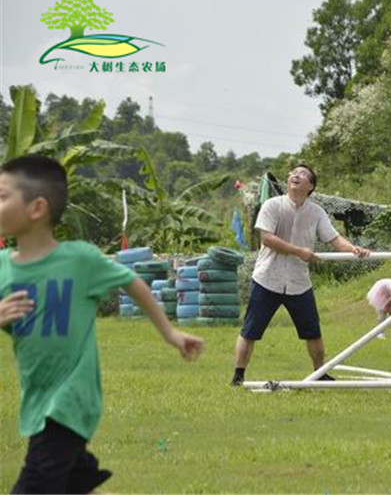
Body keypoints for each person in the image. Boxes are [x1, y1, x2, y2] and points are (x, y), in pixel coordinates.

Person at [0, 155, 204, 494]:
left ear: (36, 208)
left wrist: (170, 332)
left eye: (3, 195)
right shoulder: (4, 267)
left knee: (36, 484)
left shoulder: (80, 260)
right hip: (36, 395)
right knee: (70, 480)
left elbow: (131, 281)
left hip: (70, 398)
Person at [231, 164, 369, 386]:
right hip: (267, 278)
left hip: (298, 283)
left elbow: (334, 239)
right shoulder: (272, 205)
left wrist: (354, 249)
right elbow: (267, 239)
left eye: (303, 174)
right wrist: (300, 251)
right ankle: (238, 376)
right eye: (294, 173)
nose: (296, 175)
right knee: (250, 331)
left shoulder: (316, 212)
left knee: (313, 332)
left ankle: (320, 373)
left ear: (311, 186)